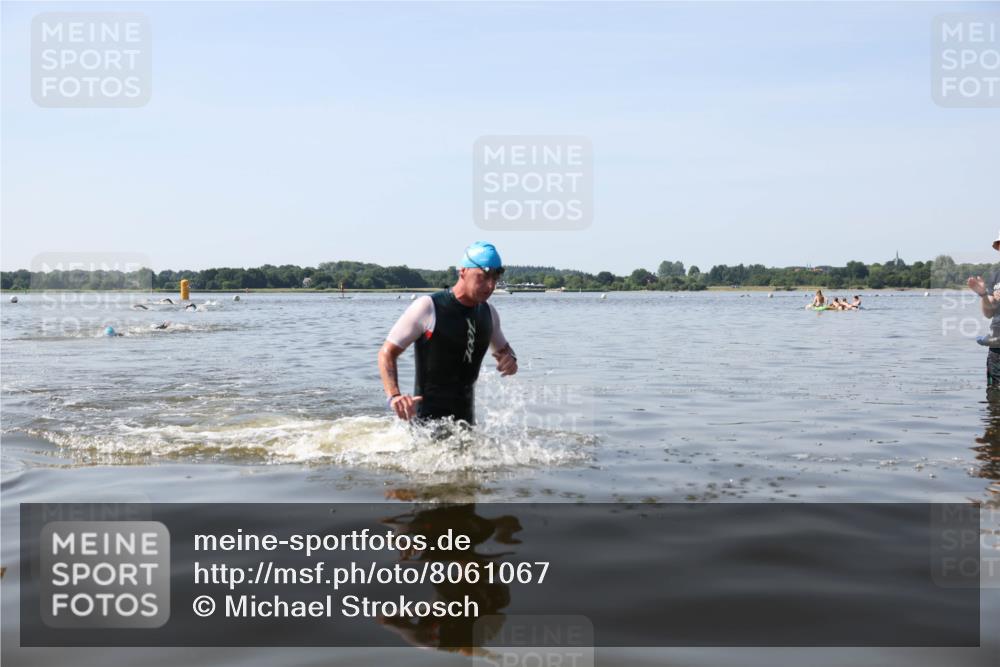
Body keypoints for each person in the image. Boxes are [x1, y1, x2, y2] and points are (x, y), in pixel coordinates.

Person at [378, 242, 518, 424]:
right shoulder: (428, 307)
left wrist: (511, 360)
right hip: (425, 428)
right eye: (483, 277)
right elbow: (386, 353)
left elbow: (506, 353)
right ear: (462, 272)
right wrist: (394, 396)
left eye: (495, 278)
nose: (490, 285)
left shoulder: (489, 313)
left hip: (466, 426)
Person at [966, 231, 1000, 388]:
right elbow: (988, 313)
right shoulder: (996, 275)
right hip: (997, 350)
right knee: (994, 401)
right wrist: (983, 295)